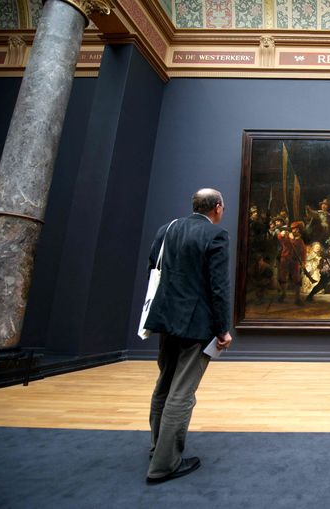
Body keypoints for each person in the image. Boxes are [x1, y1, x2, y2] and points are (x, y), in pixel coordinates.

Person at [143, 188, 233, 484]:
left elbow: (152, 270)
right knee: (182, 392)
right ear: (217, 207)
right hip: (196, 325)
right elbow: (219, 288)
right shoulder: (216, 235)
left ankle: (157, 448)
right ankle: (164, 465)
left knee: (164, 384)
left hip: (166, 319)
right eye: (223, 206)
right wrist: (222, 329)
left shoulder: (167, 229)